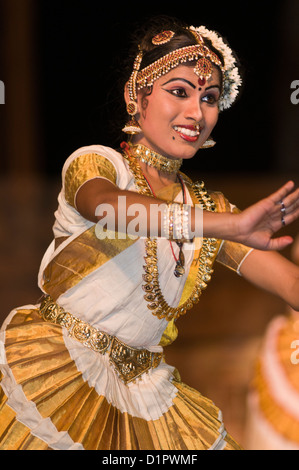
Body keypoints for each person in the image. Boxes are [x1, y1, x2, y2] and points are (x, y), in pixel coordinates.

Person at [0, 16, 299, 451]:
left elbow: (290, 281)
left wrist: (226, 223)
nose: (196, 113)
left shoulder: (206, 209)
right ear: (135, 97)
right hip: (59, 372)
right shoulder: (99, 166)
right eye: (179, 92)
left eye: (210, 98)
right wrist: (230, 226)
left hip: (145, 391)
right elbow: (110, 210)